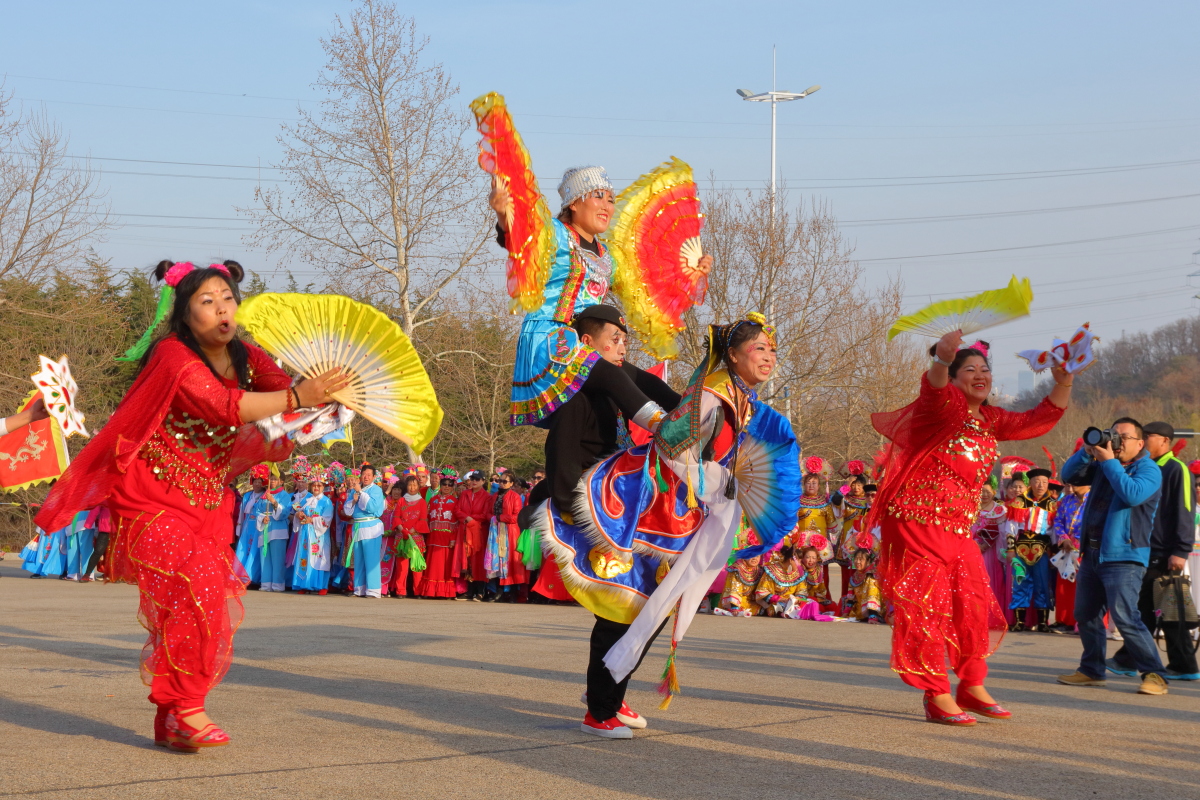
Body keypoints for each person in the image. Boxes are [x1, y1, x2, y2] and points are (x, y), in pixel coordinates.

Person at [33, 258, 345, 752]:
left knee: (200, 604)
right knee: (196, 585)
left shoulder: (246, 355)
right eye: (207, 300)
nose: (222, 308)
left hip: (207, 502)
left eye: (228, 298)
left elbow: (283, 391)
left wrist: (329, 397)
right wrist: (296, 397)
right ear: (184, 313)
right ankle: (188, 706)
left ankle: (172, 718)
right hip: (149, 496)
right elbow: (227, 407)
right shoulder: (172, 356)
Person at [533, 314, 798, 738]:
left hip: (653, 510)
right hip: (611, 511)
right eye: (614, 339)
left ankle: (609, 691)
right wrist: (572, 513)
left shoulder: (733, 395)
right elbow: (671, 447)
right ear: (733, 355)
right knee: (625, 608)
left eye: (772, 349)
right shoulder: (582, 395)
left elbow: (666, 407)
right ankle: (600, 706)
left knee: (650, 605)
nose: (623, 347)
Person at [869, 334, 1070, 725]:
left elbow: (1037, 420)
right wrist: (942, 361)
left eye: (985, 369)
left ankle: (972, 684)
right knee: (928, 607)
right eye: (970, 370)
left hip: (959, 529)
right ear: (954, 378)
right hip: (917, 522)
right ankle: (936, 693)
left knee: (973, 604)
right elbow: (933, 389)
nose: (980, 375)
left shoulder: (990, 420)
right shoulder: (941, 409)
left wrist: (1064, 381)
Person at [491, 169, 709, 433]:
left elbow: (643, 287)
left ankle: (700, 421)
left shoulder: (607, 256)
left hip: (588, 344)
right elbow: (520, 238)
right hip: (552, 339)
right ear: (574, 203)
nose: (607, 206)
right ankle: (668, 430)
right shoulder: (555, 233)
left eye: (611, 200)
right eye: (598, 196)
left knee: (644, 381)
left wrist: (689, 273)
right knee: (614, 376)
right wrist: (504, 215)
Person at [1056, 418, 1169, 696]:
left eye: (1123, 437)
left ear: (1140, 443)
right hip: (1093, 553)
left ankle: (1155, 674)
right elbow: (1068, 476)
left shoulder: (1149, 469)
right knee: (1086, 614)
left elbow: (1132, 495)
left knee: (1125, 616)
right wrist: (1086, 451)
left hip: (1125, 556)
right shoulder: (1104, 464)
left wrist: (1108, 462)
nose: (1116, 442)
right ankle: (1092, 670)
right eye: (1112, 435)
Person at [1109, 421, 1198, 681]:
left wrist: (1180, 549)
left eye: (1149, 436)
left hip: (1164, 551)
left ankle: (1131, 660)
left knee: (1160, 607)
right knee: (1150, 608)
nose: (1144, 439)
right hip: (1143, 548)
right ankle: (1180, 664)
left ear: (1165, 441)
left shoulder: (1176, 468)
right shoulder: (1143, 467)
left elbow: (1185, 510)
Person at [1049, 482, 1089, 631]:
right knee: (1064, 586)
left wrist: (1079, 540)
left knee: (1082, 586)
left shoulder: (1094, 499)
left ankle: (1081, 622)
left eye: (1076, 482)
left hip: (1086, 548)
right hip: (1067, 547)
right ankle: (1064, 620)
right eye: (1069, 484)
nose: (1071, 487)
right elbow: (1058, 520)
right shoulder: (1066, 500)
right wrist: (1064, 538)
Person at [971, 480, 1011, 625]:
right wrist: (972, 543)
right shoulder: (970, 507)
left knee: (990, 580)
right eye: (981, 491)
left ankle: (991, 615)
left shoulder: (999, 509)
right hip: (970, 550)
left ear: (994, 492)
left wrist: (986, 544)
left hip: (991, 552)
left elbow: (1002, 532)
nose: (984, 495)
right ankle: (974, 615)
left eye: (987, 491)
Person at [344, 464, 387, 598]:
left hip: (371, 526)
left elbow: (373, 507)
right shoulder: (355, 490)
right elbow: (347, 510)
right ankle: (359, 588)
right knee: (359, 559)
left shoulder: (376, 490)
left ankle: (373, 590)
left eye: (369, 475)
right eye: (364, 474)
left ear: (374, 477)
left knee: (371, 558)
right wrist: (353, 500)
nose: (366, 477)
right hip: (358, 526)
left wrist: (361, 494)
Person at [291, 471, 333, 595]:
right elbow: (299, 512)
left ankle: (321, 585)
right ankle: (304, 584)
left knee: (319, 558)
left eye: (319, 485)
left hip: (318, 534)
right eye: (314, 485)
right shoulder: (307, 500)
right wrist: (298, 515)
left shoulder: (326, 501)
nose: (316, 487)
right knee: (304, 556)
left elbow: (327, 519)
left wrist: (312, 520)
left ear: (323, 487)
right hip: (305, 533)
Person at [422, 468, 462, 598]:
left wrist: (453, 538)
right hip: (433, 536)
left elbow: (456, 523)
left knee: (445, 565)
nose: (446, 487)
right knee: (432, 564)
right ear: (440, 484)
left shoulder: (455, 502)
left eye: (450, 484)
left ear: (453, 486)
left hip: (447, 538)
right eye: (444, 484)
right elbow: (428, 519)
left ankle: (444, 591)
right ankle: (430, 591)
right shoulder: (433, 500)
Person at [488, 472, 527, 602]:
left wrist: (500, 518)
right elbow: (488, 513)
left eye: (505, 481)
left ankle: (513, 592)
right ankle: (499, 591)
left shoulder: (515, 497)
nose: (502, 483)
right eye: (500, 481)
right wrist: (492, 519)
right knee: (497, 559)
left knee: (510, 561)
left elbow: (516, 516)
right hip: (495, 531)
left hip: (510, 532)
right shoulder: (494, 496)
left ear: (511, 484)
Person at [455, 470, 494, 601]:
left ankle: (481, 591)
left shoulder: (487, 496)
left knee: (478, 560)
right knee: (468, 559)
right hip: (466, 530)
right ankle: (469, 590)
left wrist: (471, 519)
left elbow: (485, 514)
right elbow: (457, 510)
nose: (474, 482)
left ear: (483, 481)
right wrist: (467, 518)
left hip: (479, 531)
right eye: (472, 479)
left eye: (477, 479)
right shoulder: (465, 494)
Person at [391, 474, 429, 597]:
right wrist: (403, 530)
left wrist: (412, 530)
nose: (412, 487)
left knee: (417, 565)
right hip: (402, 536)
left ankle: (418, 591)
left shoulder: (422, 502)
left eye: (414, 485)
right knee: (402, 566)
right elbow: (396, 517)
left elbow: (423, 519)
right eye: (410, 485)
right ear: (406, 486)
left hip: (415, 537)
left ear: (418, 486)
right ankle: (400, 590)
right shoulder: (401, 500)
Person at [234, 466, 268, 587]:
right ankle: (240, 576)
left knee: (254, 552)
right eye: (255, 482)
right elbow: (242, 512)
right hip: (247, 526)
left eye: (259, 482)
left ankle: (253, 577)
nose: (257, 484)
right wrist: (239, 527)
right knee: (243, 550)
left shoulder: (265, 496)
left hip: (258, 527)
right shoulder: (247, 496)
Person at [259, 473, 293, 593]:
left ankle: (278, 584)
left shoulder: (285, 495)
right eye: (271, 479)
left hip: (278, 529)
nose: (272, 481)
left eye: (275, 479)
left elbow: (285, 512)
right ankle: (265, 584)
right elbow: (257, 509)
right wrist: (261, 518)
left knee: (277, 558)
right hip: (265, 527)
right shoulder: (264, 494)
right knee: (264, 557)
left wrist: (274, 502)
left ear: (281, 481)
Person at [754, 546, 804, 617]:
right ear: (791, 560)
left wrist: (797, 599)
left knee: (811, 604)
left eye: (801, 561)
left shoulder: (798, 573)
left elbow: (802, 591)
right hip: (776, 603)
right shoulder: (772, 571)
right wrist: (780, 599)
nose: (800, 564)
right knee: (776, 609)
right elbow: (761, 592)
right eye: (798, 561)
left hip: (794, 603)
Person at [839, 548, 884, 623]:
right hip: (860, 611)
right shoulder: (855, 576)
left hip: (876, 611)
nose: (857, 562)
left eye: (861, 559)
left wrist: (872, 617)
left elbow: (873, 596)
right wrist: (845, 614)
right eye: (856, 559)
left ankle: (873, 616)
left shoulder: (872, 576)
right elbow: (851, 597)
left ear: (868, 561)